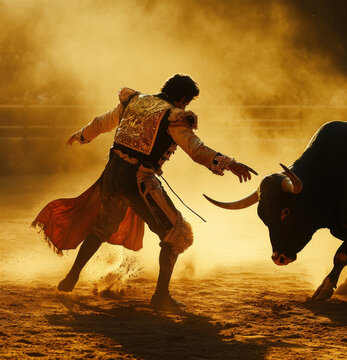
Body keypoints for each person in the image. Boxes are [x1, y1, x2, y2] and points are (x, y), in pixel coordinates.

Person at [32, 74, 257, 310]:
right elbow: (196, 148)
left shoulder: (134, 101)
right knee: (176, 231)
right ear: (182, 99)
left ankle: (72, 277)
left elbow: (102, 122)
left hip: (111, 175)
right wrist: (229, 163)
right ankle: (161, 296)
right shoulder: (174, 115)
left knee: (103, 226)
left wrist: (82, 135)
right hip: (138, 180)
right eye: (187, 102)